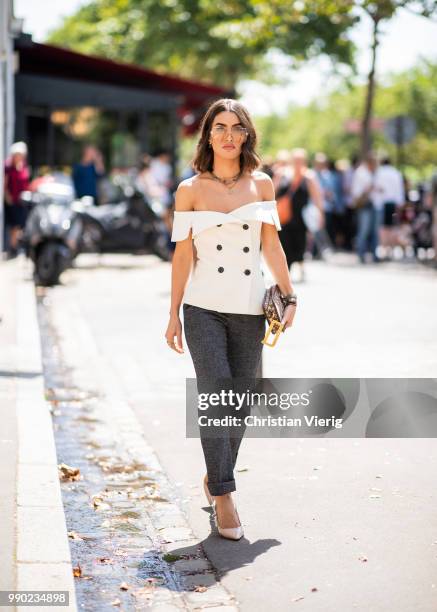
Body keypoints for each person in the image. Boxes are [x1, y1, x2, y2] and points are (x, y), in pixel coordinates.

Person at [165, 98, 297, 540]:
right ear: (208, 135)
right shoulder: (189, 189)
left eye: (235, 127)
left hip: (249, 306)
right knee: (216, 393)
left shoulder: (262, 184)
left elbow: (271, 246)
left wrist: (289, 294)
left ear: (246, 135)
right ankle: (224, 494)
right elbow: (182, 254)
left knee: (240, 400)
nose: (227, 135)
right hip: (202, 306)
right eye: (218, 127)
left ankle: (215, 475)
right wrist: (173, 314)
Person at [275, 148, 324, 281]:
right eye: (295, 159)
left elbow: (317, 197)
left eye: (300, 160)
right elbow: (273, 191)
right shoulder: (283, 173)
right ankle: (286, 272)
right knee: (284, 243)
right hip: (284, 217)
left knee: (300, 243)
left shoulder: (309, 176)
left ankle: (301, 268)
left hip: (300, 218)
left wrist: (321, 215)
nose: (298, 162)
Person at [351, 152, 380, 263]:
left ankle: (374, 254)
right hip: (364, 205)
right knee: (364, 230)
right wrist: (367, 190)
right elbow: (356, 191)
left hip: (374, 204)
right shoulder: (361, 173)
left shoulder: (375, 172)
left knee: (374, 231)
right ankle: (361, 254)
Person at [373, 156, 405, 259]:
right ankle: (390, 250)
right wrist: (400, 204)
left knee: (383, 228)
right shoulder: (396, 173)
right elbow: (400, 190)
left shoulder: (379, 172)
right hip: (393, 204)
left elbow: (377, 187)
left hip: (381, 204)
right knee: (391, 227)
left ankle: (384, 249)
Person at [3, 141, 30, 257]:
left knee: (20, 225)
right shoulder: (8, 166)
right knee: (14, 225)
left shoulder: (23, 165)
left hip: (21, 200)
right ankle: (12, 248)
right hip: (11, 200)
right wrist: (7, 196)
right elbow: (4, 183)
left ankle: (16, 247)